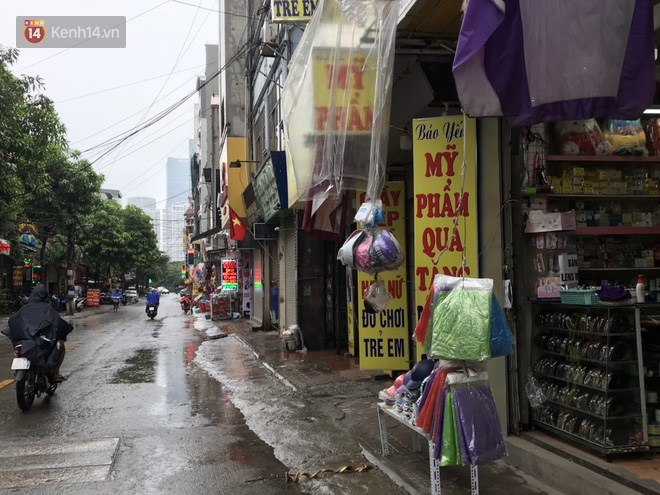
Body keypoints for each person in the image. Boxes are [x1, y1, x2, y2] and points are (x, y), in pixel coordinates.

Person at [7, 284, 73, 383]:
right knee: (61, 347)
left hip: (25, 341)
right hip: (38, 342)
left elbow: (13, 321)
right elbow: (58, 322)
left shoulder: (24, 309)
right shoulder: (48, 309)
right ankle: (55, 374)